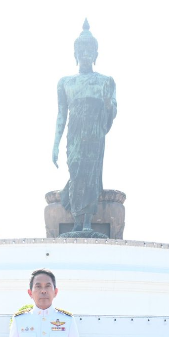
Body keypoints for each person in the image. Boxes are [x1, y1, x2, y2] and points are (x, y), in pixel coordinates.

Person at [52, 19, 117, 233]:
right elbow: (61, 115)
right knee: (77, 174)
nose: (86, 54)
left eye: (90, 50)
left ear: (96, 54)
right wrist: (55, 145)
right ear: (76, 54)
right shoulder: (66, 82)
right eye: (82, 50)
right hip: (75, 136)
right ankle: (77, 222)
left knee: (90, 176)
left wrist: (108, 105)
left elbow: (112, 111)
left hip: (95, 136)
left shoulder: (106, 81)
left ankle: (87, 223)